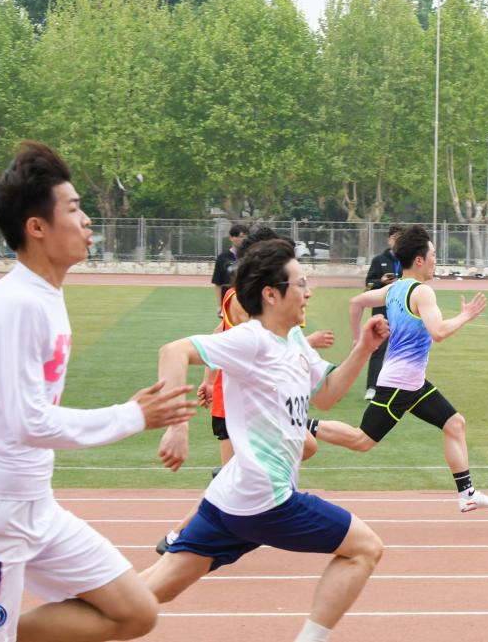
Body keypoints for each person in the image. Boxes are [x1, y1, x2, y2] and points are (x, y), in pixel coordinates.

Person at [0, 141, 197, 642]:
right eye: (75, 209)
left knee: (135, 611)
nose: (87, 222)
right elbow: (28, 422)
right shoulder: (17, 304)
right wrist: (132, 415)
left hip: (35, 505)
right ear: (36, 227)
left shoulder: (47, 296)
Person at [143, 238, 389, 642]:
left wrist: (363, 347)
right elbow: (173, 351)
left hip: (230, 496)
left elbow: (326, 394)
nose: (309, 292)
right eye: (301, 283)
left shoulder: (292, 341)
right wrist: (177, 425)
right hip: (265, 498)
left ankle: (59, 618)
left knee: (152, 591)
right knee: (365, 548)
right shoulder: (251, 340)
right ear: (272, 294)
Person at [155, 227, 335, 555]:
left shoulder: (253, 303)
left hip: (265, 395)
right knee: (234, 486)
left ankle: (215, 506)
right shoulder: (248, 304)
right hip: (245, 399)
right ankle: (179, 535)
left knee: (304, 447)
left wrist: (208, 379)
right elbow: (250, 346)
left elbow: (221, 334)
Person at [315, 225, 488, 513]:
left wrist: (357, 338)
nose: (435, 261)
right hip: (399, 383)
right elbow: (438, 332)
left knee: (455, 423)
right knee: (362, 440)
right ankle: (298, 425)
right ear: (419, 259)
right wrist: (466, 316)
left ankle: (466, 493)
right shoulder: (422, 293)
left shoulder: (393, 289)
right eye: (433, 255)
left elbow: (357, 302)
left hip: (413, 382)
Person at [363, 224, 403, 399]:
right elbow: (368, 284)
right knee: (378, 349)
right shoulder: (379, 260)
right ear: (389, 239)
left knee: (401, 348)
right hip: (382, 311)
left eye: (400, 238)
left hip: (402, 312)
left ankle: (397, 386)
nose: (396, 241)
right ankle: (372, 387)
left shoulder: (407, 261)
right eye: (394, 237)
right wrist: (381, 281)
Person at [211, 224, 246, 311]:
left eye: (244, 237)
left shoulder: (251, 256)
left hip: (247, 302)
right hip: (228, 301)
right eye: (239, 237)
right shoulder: (222, 258)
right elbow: (217, 283)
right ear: (231, 238)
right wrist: (219, 306)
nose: (242, 240)